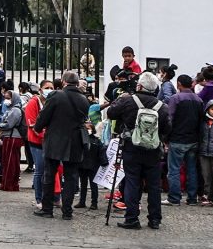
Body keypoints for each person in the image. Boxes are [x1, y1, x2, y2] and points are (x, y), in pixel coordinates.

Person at [107, 72, 172, 230]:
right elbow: (168, 129)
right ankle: (155, 219)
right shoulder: (162, 107)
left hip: (132, 148)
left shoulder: (128, 100)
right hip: (153, 151)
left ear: (139, 85)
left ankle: (132, 218)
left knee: (132, 182)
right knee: (154, 186)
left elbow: (110, 113)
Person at [33, 71, 89, 220]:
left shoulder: (56, 96)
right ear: (77, 83)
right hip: (75, 141)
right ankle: (67, 211)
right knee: (71, 177)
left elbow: (44, 116)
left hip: (55, 140)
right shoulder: (83, 99)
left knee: (49, 174)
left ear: (63, 81)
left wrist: (37, 127)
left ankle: (47, 209)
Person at [162, 74, 204, 206]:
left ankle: (174, 198)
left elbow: (170, 119)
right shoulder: (198, 100)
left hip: (177, 139)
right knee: (192, 169)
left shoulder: (176, 98)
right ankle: (192, 198)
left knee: (174, 169)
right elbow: (200, 121)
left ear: (179, 84)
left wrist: (165, 137)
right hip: (193, 140)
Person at [25, 80, 52, 209]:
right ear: (40, 89)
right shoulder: (33, 103)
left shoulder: (52, 102)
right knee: (39, 170)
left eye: (52, 87)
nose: (49, 90)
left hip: (50, 141)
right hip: (36, 141)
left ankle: (52, 197)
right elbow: (32, 125)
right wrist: (45, 134)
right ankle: (38, 198)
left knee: (50, 171)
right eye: (47, 87)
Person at [0, 84, 24, 192]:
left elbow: (9, 124)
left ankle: (8, 184)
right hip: (12, 136)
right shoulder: (12, 109)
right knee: (12, 161)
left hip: (12, 137)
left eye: (8, 98)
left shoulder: (15, 110)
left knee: (9, 162)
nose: (6, 100)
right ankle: (11, 184)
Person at [75, 121, 107, 209]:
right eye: (85, 129)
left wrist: (104, 162)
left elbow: (102, 152)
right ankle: (82, 202)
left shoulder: (96, 141)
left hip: (93, 166)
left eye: (88, 128)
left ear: (92, 130)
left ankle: (94, 203)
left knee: (93, 186)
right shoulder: (80, 140)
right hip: (82, 166)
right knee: (83, 185)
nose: (86, 130)